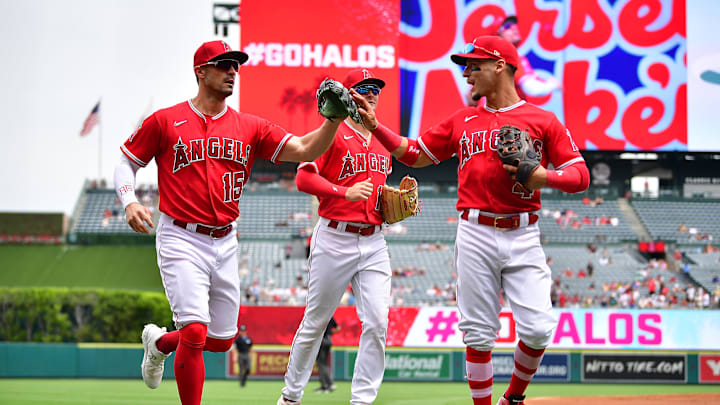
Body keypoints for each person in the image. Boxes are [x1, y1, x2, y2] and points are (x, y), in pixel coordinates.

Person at [114, 40, 358, 405]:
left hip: (226, 240)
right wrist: (130, 200)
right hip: (181, 235)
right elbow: (126, 162)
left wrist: (333, 121)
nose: (233, 71)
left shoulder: (250, 126)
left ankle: (160, 343)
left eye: (236, 65)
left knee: (221, 339)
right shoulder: (166, 120)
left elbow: (306, 149)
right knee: (195, 330)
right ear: (201, 71)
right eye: (224, 64)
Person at [356, 36, 589, 405]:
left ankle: (512, 398)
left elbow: (580, 176)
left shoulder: (543, 119)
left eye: (473, 65)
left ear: (500, 66)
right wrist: (376, 125)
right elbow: (415, 154)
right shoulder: (462, 120)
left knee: (540, 329)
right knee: (478, 334)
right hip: (475, 230)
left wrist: (540, 176)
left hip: (523, 231)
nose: (466, 73)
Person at [278, 68, 394, 405]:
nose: (371, 94)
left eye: (375, 89)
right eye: (363, 89)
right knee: (316, 321)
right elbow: (303, 179)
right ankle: (290, 397)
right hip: (335, 237)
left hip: (374, 241)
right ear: (348, 95)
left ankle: (362, 400)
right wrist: (343, 193)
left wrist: (392, 203)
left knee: (377, 322)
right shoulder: (332, 133)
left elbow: (376, 194)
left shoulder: (384, 142)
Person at [496, 15, 561, 100]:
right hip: (504, 111)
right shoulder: (504, 58)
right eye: (507, 26)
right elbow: (531, 89)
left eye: (514, 25)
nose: (514, 28)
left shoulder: (515, 57)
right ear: (497, 34)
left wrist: (548, 83)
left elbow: (532, 81)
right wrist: (552, 84)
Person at [315, 316, 341, 393]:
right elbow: (338, 328)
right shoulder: (330, 316)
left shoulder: (319, 315)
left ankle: (325, 385)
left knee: (321, 363)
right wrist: (330, 333)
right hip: (329, 340)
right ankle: (330, 383)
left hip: (322, 340)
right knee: (324, 363)